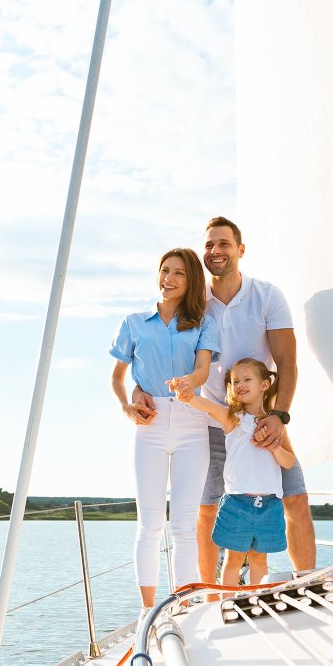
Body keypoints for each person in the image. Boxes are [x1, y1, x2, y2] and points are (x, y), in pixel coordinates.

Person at [136, 216, 317, 583]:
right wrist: (139, 390)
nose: (215, 251)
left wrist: (278, 416)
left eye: (223, 244)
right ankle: (210, 593)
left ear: (240, 250)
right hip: (209, 423)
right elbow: (158, 353)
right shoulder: (193, 304)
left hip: (263, 419)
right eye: (209, 245)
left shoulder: (267, 296)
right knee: (205, 511)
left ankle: (309, 581)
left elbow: (287, 362)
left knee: (295, 499)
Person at [109, 248, 219, 607]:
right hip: (150, 425)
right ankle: (148, 611)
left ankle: (183, 606)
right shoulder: (134, 322)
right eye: (164, 271)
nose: (168, 279)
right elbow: (117, 376)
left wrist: (188, 382)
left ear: (191, 282)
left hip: (191, 423)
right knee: (150, 524)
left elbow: (203, 371)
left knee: (185, 526)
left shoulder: (203, 323)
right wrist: (127, 405)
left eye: (178, 274)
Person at [176, 358, 295, 585]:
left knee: (260, 559)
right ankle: (228, 601)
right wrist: (188, 396)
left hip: (269, 504)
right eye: (235, 381)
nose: (240, 384)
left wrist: (274, 446)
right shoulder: (233, 419)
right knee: (234, 558)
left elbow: (288, 462)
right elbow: (209, 407)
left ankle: (257, 601)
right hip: (236, 503)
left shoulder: (275, 425)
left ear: (264, 385)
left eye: (247, 379)